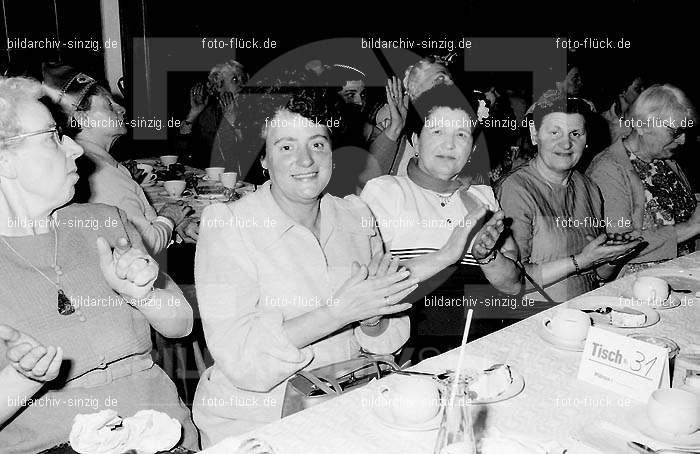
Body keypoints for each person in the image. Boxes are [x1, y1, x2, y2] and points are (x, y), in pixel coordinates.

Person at [193, 86, 417, 446]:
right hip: (256, 421)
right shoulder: (228, 225)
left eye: (317, 143)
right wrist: (338, 312)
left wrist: (373, 319)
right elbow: (241, 359)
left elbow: (386, 339)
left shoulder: (355, 215)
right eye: (286, 147)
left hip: (345, 400)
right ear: (263, 158)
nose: (306, 161)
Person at [0, 76, 198, 452]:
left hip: (162, 436)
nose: (75, 149)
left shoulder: (105, 221)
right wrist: (24, 378)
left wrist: (144, 293)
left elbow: (181, 325)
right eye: (53, 137)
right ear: (5, 159)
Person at [361, 85, 522, 359]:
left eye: (461, 135)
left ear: (472, 148)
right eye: (437, 132)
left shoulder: (482, 196)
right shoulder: (386, 192)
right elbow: (368, 287)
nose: (450, 144)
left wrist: (486, 256)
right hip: (412, 353)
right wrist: (447, 254)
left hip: (486, 348)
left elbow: (514, 286)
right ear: (414, 139)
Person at [497, 90, 642, 303]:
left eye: (575, 134)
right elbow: (512, 282)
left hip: (585, 309)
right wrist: (581, 261)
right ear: (534, 134)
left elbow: (596, 276)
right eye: (554, 133)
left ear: (586, 139)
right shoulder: (516, 189)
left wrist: (610, 258)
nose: (566, 144)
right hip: (532, 316)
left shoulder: (589, 188)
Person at [42, 63, 194, 255]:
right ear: (82, 118)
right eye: (109, 105)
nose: (121, 108)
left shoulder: (93, 162)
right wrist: (169, 218)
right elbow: (144, 247)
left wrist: (172, 223)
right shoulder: (101, 174)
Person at [587, 84, 699, 274]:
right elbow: (616, 247)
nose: (683, 140)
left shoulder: (667, 160)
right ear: (641, 125)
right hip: (636, 286)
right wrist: (691, 227)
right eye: (675, 132)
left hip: (681, 276)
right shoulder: (608, 170)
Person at [178, 59, 265, 183]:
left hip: (246, 185)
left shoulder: (255, 109)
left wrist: (235, 123)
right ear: (219, 85)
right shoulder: (209, 112)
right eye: (235, 80)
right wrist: (193, 114)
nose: (242, 84)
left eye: (243, 79)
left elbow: (257, 160)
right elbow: (182, 153)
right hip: (212, 183)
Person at [600, 75, 646, 142]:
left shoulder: (646, 119)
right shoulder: (604, 121)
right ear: (623, 91)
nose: (643, 92)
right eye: (637, 89)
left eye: (644, 88)